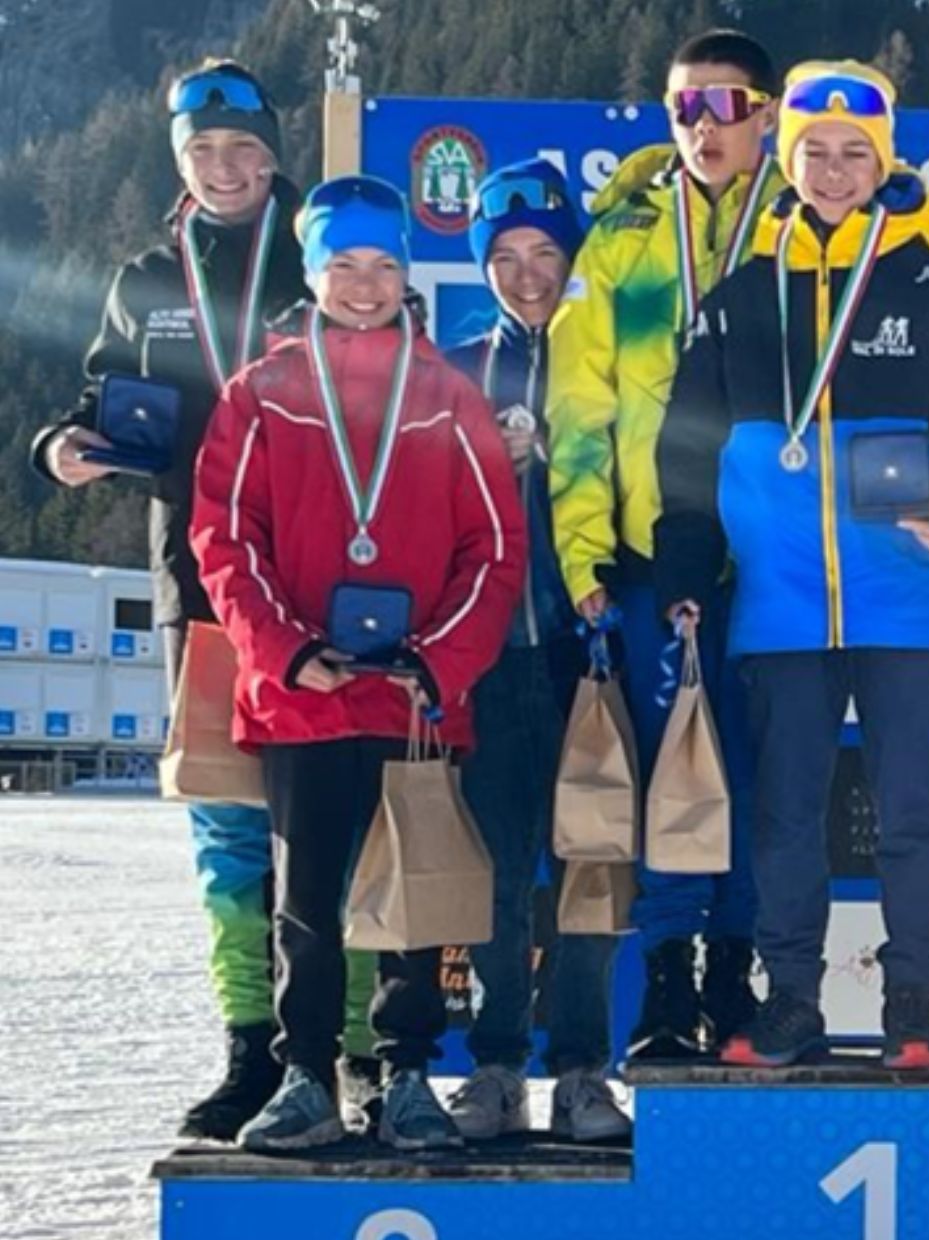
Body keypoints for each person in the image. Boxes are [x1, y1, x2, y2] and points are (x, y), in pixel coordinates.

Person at [28, 60, 376, 1142]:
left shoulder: (321, 254)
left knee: (337, 824)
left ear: (274, 153)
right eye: (201, 153)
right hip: (203, 580)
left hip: (322, 580)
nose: (223, 169)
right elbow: (98, 399)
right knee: (230, 830)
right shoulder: (146, 274)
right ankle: (252, 1054)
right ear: (180, 162)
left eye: (241, 148)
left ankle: (351, 1051)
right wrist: (60, 448)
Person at [655, 61, 929, 1068]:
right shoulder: (739, 298)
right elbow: (684, 457)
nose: (832, 171)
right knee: (786, 819)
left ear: (885, 160)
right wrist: (687, 573)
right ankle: (790, 1002)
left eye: (855, 153)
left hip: (904, 597)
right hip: (777, 604)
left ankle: (912, 1002)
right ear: (786, 158)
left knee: (910, 814)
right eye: (814, 152)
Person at [190, 176, 526, 1151]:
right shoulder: (262, 392)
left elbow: (494, 546)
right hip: (305, 695)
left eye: (384, 266)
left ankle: (407, 1074)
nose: (367, 285)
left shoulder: (447, 397)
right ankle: (306, 1076)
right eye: (346, 266)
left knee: (415, 897)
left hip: (414, 697)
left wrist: (440, 660)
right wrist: (287, 653)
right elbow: (223, 538)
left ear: (405, 275)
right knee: (305, 899)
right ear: (315, 273)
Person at [546, 29, 784, 1061]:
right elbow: (577, 413)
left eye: (726, 106)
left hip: (781, 561)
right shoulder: (623, 238)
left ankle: (738, 976)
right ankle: (669, 987)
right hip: (653, 557)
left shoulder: (804, 225)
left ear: (767, 114)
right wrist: (584, 555)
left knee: (763, 776)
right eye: (685, 107)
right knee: (669, 775)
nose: (703, 127)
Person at [438, 160, 631, 1142]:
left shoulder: (612, 355)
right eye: (504, 257)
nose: (526, 275)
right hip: (494, 656)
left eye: (545, 253)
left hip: (594, 649)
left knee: (591, 862)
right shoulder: (454, 368)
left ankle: (585, 1068)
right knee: (504, 871)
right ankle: (496, 1064)